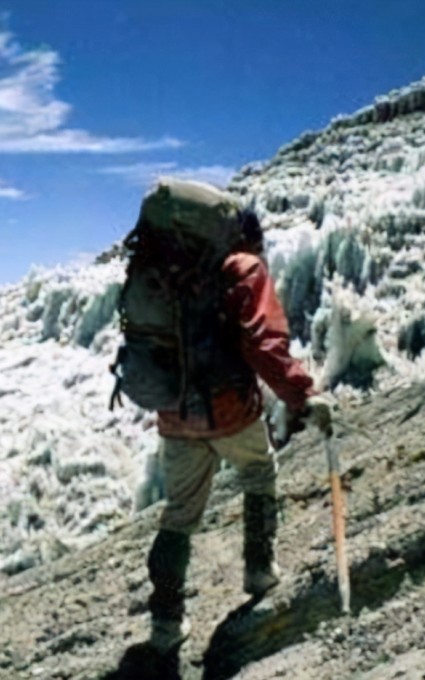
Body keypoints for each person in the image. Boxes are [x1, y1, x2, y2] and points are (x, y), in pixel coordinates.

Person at [143, 207, 333, 654]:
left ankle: (165, 623)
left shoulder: (175, 275)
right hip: (228, 410)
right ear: (249, 239)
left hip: (175, 416)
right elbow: (263, 342)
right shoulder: (244, 267)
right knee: (259, 471)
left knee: (179, 515)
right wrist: (302, 393)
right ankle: (259, 569)